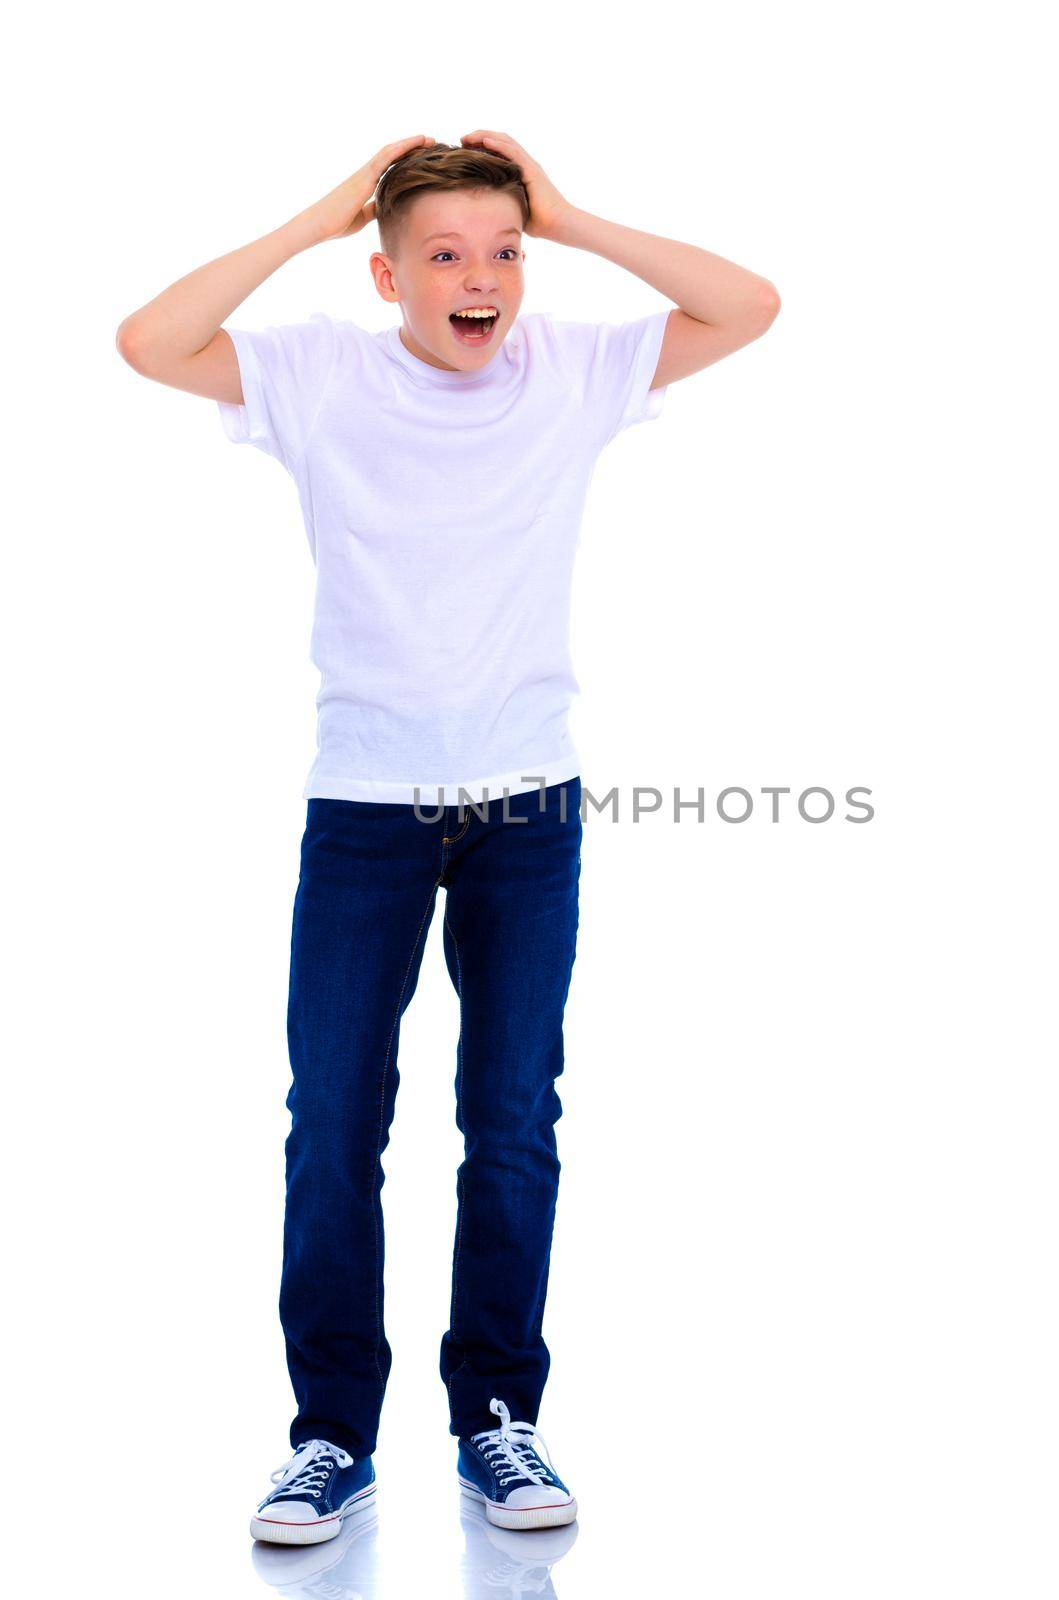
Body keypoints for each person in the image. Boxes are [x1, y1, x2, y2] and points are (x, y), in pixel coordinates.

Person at [116, 130, 780, 1544]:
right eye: (444, 254)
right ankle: (329, 1436)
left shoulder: (576, 371)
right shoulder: (317, 373)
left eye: (502, 251)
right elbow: (147, 339)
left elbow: (749, 306)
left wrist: (574, 215)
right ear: (388, 273)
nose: (480, 280)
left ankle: (498, 1418)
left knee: (512, 1124)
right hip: (365, 810)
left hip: (526, 812)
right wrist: (313, 214)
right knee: (334, 1125)